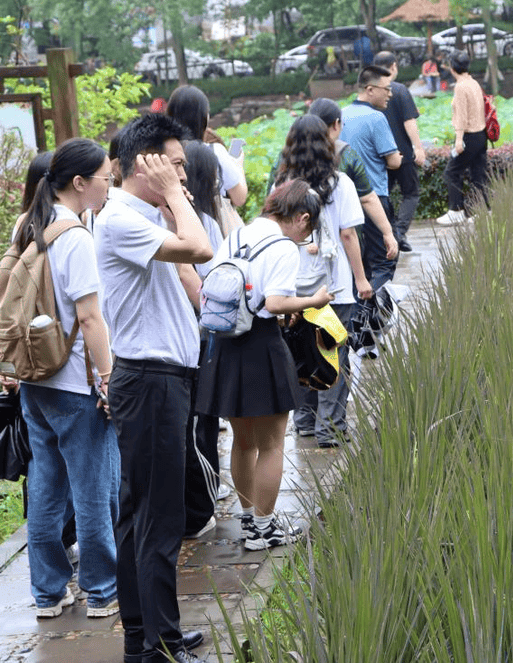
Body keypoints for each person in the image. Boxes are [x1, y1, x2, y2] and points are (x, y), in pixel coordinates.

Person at [95, 113, 213, 663]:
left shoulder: (137, 216)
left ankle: (146, 636)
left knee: (141, 513)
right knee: (157, 518)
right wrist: (173, 195)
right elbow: (201, 249)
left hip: (155, 380)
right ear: (146, 163)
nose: (183, 175)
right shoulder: (121, 218)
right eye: (175, 164)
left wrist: (167, 198)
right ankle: (157, 643)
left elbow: (194, 277)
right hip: (150, 381)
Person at [14, 138, 119, 620]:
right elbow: (91, 318)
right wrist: (107, 377)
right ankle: (100, 591)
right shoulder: (73, 235)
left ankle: (49, 592)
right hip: (74, 380)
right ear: (80, 183)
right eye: (104, 177)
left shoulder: (26, 224)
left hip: (34, 377)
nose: (109, 184)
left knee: (46, 487)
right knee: (93, 490)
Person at [195, 179, 332, 549]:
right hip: (260, 344)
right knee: (272, 443)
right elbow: (274, 303)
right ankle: (265, 528)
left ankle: (249, 519)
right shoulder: (285, 248)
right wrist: (313, 299)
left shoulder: (237, 235)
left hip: (224, 343)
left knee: (242, 442)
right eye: (309, 227)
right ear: (302, 218)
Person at [272, 115, 369, 448]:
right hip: (334, 287)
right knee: (332, 352)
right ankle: (331, 427)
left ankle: (305, 422)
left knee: (299, 349)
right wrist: (360, 278)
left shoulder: (281, 187)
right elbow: (348, 234)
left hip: (292, 287)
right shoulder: (339, 183)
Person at [180, 141, 226, 540]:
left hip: (175, 341)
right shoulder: (203, 223)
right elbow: (211, 282)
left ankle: (189, 507)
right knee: (200, 425)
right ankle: (199, 510)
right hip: (197, 336)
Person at [306, 98, 398, 261]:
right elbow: (368, 198)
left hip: (301, 243)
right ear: (336, 124)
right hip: (339, 245)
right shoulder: (346, 155)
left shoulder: (288, 156)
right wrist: (388, 233)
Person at [340, 65, 402, 290]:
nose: (390, 94)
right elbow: (394, 161)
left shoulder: (341, 116)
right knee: (385, 261)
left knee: (359, 263)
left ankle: (358, 316)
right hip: (374, 197)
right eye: (386, 88)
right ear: (370, 89)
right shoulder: (376, 118)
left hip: (345, 200)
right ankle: (372, 317)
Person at [372, 51, 426, 252]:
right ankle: (399, 232)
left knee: (383, 196)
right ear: (393, 66)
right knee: (411, 194)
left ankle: (394, 233)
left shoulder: (371, 93)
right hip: (402, 154)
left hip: (380, 156)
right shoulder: (400, 90)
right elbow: (409, 121)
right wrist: (418, 148)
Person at [165, 85, 248, 209]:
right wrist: (238, 165)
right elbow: (239, 198)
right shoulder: (214, 152)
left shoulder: (160, 153)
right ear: (203, 118)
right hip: (211, 224)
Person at [435, 51, 488, 227]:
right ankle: (483, 210)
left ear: (452, 67)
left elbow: (461, 116)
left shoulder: (460, 87)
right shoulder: (473, 83)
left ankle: (456, 211)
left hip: (469, 136)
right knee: (478, 173)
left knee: (451, 172)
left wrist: (459, 140)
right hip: (481, 135)